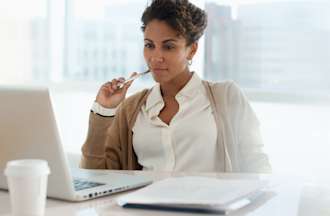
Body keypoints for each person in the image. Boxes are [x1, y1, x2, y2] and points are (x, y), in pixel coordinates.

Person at [80, 0, 271, 173]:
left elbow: (256, 165)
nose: (156, 57)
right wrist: (104, 110)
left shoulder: (226, 96)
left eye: (168, 46)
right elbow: (96, 175)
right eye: (149, 45)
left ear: (192, 49)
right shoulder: (132, 109)